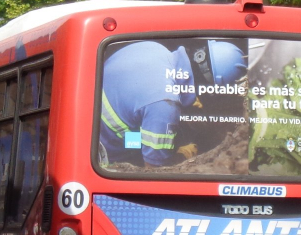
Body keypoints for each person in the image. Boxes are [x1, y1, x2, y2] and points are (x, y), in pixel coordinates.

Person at [100, 39, 247, 167]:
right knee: (155, 150)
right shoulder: (165, 103)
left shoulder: (154, 47)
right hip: (112, 145)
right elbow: (152, 170)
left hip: (95, 114)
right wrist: (183, 156)